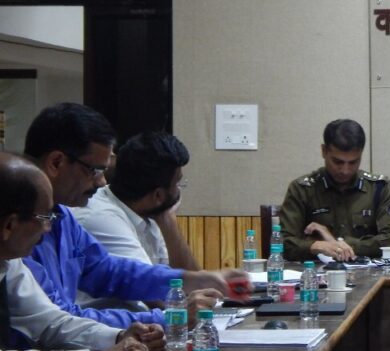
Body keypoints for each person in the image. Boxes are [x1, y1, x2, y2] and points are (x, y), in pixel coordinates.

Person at [19, 103, 237, 337]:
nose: (102, 182)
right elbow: (58, 320)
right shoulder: (20, 225)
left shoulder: (63, 216)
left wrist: (190, 279)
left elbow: (109, 271)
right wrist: (171, 318)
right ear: (56, 162)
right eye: (94, 170)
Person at [0, 152, 156, 351]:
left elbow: (50, 322)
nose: (48, 230)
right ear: (9, 225)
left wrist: (118, 337)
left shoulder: (9, 260)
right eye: (45, 218)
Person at [72, 132, 199, 270]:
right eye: (178, 183)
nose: (180, 189)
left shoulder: (151, 213)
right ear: (158, 196)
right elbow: (149, 281)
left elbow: (187, 279)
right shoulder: (101, 217)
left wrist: (168, 221)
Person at [279, 119, 390, 262]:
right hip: (316, 272)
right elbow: (283, 244)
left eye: (353, 162)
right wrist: (315, 245)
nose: (345, 170)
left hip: (367, 270)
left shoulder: (378, 187)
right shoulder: (302, 189)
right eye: (338, 162)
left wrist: (338, 244)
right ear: (324, 151)